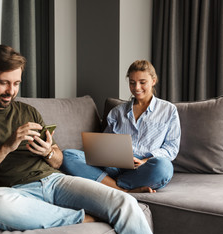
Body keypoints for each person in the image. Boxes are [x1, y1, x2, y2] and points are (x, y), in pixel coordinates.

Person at [0, 45, 155, 234]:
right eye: (3, 82)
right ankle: (81, 218)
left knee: (125, 202)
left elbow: (57, 160)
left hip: (55, 181)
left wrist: (48, 152)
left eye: (16, 83)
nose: (11, 91)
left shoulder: (28, 111)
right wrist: (7, 146)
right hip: (14, 191)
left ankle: (72, 214)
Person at [61, 60, 181, 193]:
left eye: (142, 82)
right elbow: (105, 144)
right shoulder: (117, 112)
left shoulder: (169, 110)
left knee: (164, 168)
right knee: (67, 155)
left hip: (143, 167)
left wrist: (146, 161)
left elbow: (171, 148)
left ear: (153, 81)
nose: (136, 88)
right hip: (113, 165)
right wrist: (104, 154)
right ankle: (122, 189)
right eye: (132, 82)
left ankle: (107, 183)